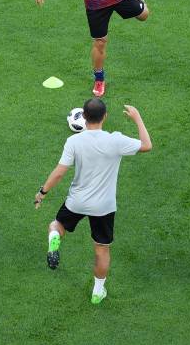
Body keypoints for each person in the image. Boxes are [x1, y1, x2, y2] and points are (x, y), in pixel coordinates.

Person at [34, 98, 152, 304]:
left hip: (77, 201)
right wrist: (137, 118)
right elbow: (146, 145)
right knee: (101, 250)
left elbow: (60, 172)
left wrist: (42, 192)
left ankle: (55, 238)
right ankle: (98, 292)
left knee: (57, 224)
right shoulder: (116, 140)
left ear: (83, 117)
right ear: (105, 116)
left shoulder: (74, 142)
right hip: (104, 207)